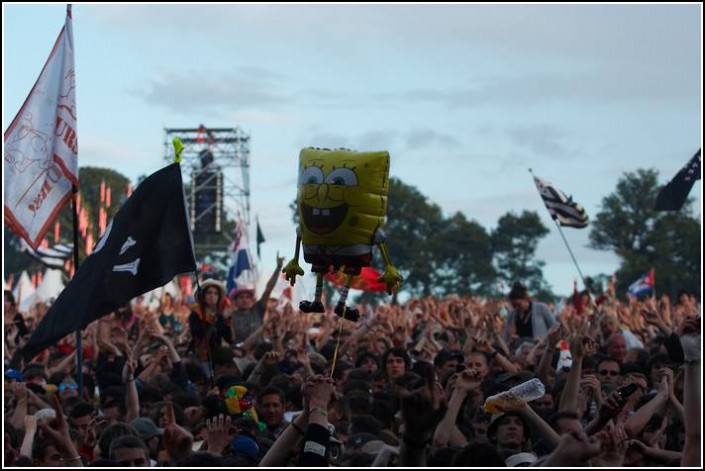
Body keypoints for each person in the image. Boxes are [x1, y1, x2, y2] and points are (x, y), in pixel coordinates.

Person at [230, 255, 284, 343]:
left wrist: (278, 269)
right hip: (239, 354)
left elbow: (268, 289)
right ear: (235, 301)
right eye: (241, 297)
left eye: (247, 297)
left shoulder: (257, 310)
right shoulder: (230, 317)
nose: (245, 300)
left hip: (260, 353)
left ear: (252, 300)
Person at [187, 279, 232, 376]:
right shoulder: (196, 314)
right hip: (200, 357)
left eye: (216, 293)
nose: (213, 296)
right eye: (209, 293)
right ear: (203, 296)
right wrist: (210, 321)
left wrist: (227, 320)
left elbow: (229, 339)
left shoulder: (220, 316)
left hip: (217, 358)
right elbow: (197, 333)